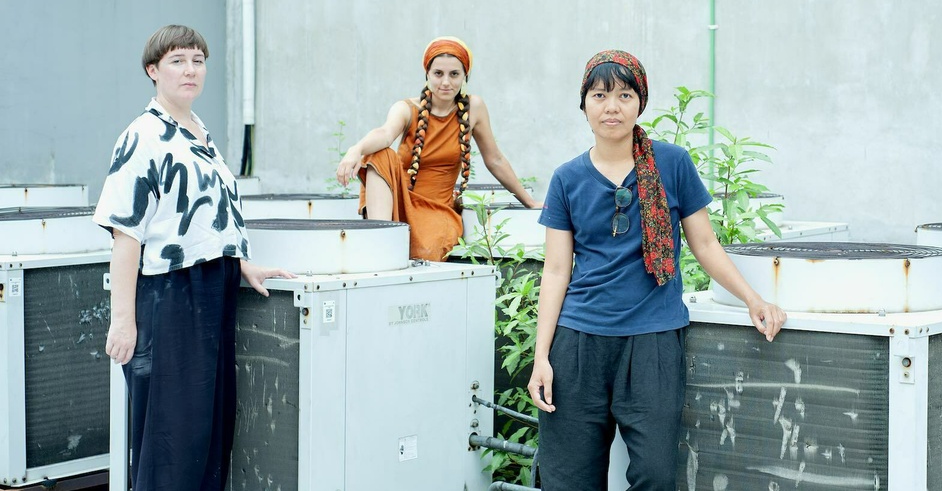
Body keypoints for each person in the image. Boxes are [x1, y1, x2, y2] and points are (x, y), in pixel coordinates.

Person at [527, 50, 786, 490]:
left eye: (625, 95)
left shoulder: (672, 163)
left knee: (655, 475)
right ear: (584, 104)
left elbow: (704, 244)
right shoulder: (567, 178)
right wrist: (541, 358)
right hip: (578, 345)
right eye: (600, 94)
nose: (612, 106)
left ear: (640, 103)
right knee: (568, 477)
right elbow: (556, 271)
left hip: (653, 342)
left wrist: (753, 299)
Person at [94, 24, 293, 490]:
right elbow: (126, 234)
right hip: (171, 294)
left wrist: (241, 263)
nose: (190, 70)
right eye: (177, 60)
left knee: (209, 430)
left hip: (213, 290)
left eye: (198, 60)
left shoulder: (200, 132)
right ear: (153, 71)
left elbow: (209, 219)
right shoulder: (142, 135)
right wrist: (122, 320)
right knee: (173, 436)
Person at [336, 36, 540, 260]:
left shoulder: (474, 108)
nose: (446, 82)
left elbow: (495, 160)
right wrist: (355, 149)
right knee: (379, 154)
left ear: (465, 76)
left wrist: (528, 202)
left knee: (428, 249)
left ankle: (393, 248)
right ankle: (379, 240)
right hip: (400, 204)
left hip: (438, 211)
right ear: (427, 74)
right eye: (438, 74)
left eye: (454, 74)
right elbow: (384, 134)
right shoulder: (407, 108)